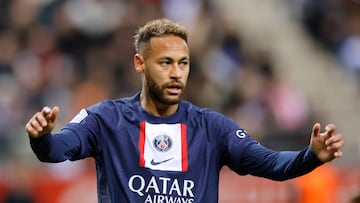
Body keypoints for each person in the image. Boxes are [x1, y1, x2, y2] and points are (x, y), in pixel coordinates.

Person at [25, 18, 344, 203]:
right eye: (165, 63)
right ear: (140, 64)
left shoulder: (211, 127)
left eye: (183, 63)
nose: (177, 73)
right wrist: (42, 137)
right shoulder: (105, 119)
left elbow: (272, 163)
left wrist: (311, 156)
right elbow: (55, 150)